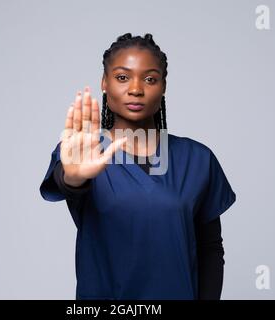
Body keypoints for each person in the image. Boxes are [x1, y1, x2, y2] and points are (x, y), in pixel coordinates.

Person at [40, 33, 236, 300]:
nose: (136, 89)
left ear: (163, 86)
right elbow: (67, 182)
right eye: (122, 77)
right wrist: (73, 177)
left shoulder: (197, 159)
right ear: (104, 83)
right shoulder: (84, 151)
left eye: (150, 79)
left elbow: (210, 248)